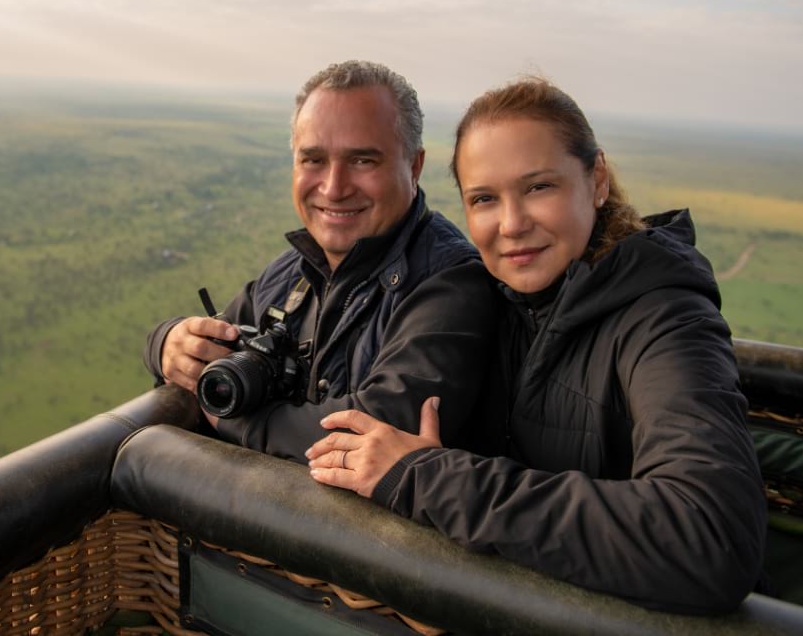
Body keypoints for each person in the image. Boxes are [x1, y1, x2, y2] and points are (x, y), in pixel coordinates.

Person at [306, 77, 767, 614]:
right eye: (484, 199)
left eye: (539, 188)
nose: (512, 224)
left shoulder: (664, 318)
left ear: (596, 179)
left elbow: (710, 534)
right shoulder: (484, 302)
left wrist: (430, 477)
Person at [143, 60, 497, 462]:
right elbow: (216, 347)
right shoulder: (291, 272)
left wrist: (234, 419)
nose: (334, 188)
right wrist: (168, 344)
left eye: (362, 160)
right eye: (313, 160)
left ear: (414, 165)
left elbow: (376, 429)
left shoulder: (452, 286)